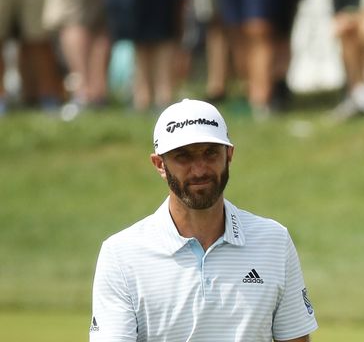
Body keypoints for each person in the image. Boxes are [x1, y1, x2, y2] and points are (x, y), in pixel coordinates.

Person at [90, 99, 318, 341]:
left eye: (210, 153)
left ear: (229, 154)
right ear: (160, 164)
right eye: (183, 156)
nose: (199, 170)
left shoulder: (274, 241)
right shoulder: (121, 254)